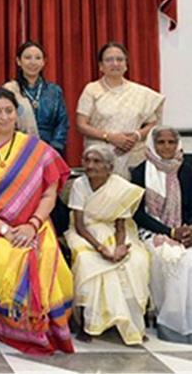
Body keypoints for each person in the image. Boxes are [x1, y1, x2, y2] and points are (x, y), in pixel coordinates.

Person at [0, 87, 74, 355]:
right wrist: (5, 229)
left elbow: (49, 193)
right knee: (2, 255)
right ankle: (17, 323)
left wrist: (31, 224)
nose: (3, 116)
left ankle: (49, 325)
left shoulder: (34, 148)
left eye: (9, 111)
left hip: (30, 224)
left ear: (16, 115)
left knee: (44, 252)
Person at [65, 145, 150, 345]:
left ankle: (132, 323)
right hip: (84, 234)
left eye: (96, 161)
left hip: (115, 232)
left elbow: (121, 225)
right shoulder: (79, 184)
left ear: (109, 167)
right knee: (87, 262)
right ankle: (89, 323)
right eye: (87, 160)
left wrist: (119, 247)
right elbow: (79, 225)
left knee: (135, 261)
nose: (90, 166)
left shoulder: (120, 187)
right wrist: (101, 249)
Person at [131, 126, 192, 343]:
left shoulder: (187, 169)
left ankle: (187, 320)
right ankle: (168, 320)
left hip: (185, 231)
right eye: (161, 142)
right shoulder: (140, 172)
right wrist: (169, 232)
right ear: (152, 145)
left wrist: (188, 230)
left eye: (171, 142)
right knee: (166, 257)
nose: (166, 147)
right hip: (152, 231)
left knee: (188, 260)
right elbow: (137, 214)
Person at [76, 41, 164, 178]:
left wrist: (136, 136)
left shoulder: (140, 92)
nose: (115, 63)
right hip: (100, 158)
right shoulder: (92, 90)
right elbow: (81, 125)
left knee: (132, 196)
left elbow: (153, 122)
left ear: (126, 65)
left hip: (133, 156)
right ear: (101, 66)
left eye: (119, 59)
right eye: (109, 60)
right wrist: (110, 137)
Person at [2, 40, 69, 154]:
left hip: (51, 151)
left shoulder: (54, 91)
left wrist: (53, 149)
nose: (33, 62)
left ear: (43, 62)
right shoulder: (9, 90)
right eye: (28, 57)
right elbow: (3, 122)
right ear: (18, 61)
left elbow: (62, 123)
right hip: (18, 151)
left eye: (38, 58)